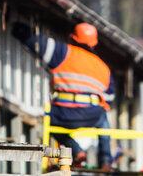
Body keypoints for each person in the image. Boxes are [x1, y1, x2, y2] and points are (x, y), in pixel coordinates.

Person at [12, 21, 114, 168]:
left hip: (63, 114)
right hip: (91, 116)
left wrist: (18, 28)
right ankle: (105, 161)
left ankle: (76, 150)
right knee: (103, 119)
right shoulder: (103, 68)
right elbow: (109, 98)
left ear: (73, 38)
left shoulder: (63, 52)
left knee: (47, 121)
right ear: (93, 43)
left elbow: (37, 43)